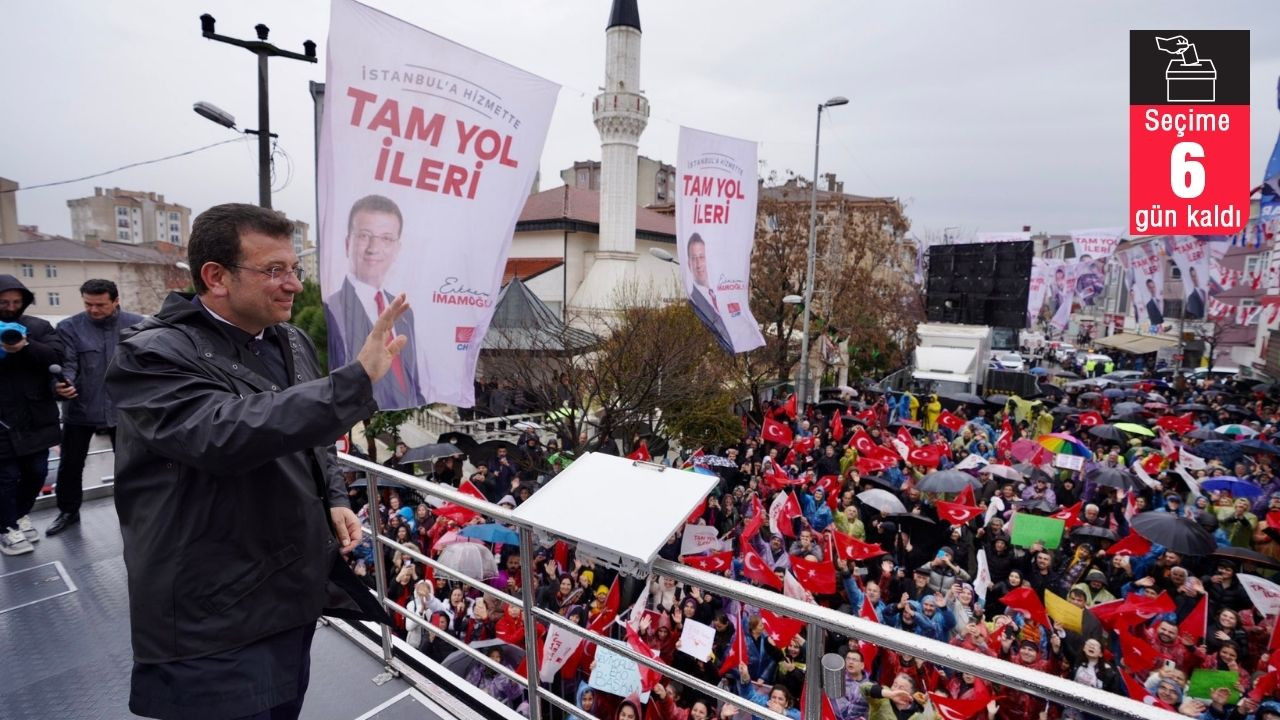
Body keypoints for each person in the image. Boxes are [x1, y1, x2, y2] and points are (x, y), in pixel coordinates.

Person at [106, 203, 403, 720]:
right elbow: (225, 433)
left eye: (294, 269)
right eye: (273, 271)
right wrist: (353, 381)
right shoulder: (151, 356)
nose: (292, 285)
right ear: (215, 277)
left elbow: (311, 436)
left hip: (285, 596)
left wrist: (333, 497)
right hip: (211, 620)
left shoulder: (290, 340)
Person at [45, 279, 144, 536]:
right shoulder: (69, 327)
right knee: (70, 464)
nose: (94, 310)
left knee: (130, 465)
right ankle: (68, 511)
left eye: (100, 305)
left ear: (115, 300)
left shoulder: (139, 324)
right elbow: (67, 363)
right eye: (88, 304)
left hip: (124, 410)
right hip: (81, 408)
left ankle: (137, 513)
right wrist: (62, 386)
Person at [324, 193, 425, 409]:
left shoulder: (404, 312)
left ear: (397, 248)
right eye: (364, 235)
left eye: (386, 238)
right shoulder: (331, 310)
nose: (373, 248)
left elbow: (411, 382)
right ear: (347, 242)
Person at [0, 274, 65, 555]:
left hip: (35, 417)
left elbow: (56, 355)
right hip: (2, 421)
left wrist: (25, 345)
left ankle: (16, 515)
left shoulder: (37, 327)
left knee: (37, 473)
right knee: (6, 478)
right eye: (3, 302)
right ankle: (6, 528)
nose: (11, 307)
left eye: (16, 301)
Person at [685, 232, 732, 352]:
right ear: (689, 264)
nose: (698, 264)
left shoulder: (721, 294)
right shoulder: (694, 301)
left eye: (702, 257)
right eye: (694, 258)